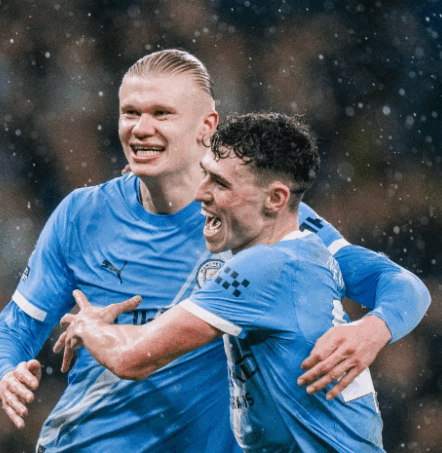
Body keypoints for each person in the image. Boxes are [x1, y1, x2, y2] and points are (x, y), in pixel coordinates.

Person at [0, 49, 430, 452]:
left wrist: (373, 331)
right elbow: (12, 331)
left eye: (161, 113)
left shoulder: (264, 223)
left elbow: (399, 284)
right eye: (130, 113)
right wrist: (5, 373)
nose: (141, 128)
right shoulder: (81, 215)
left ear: (207, 126)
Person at [56, 112, 385, 452]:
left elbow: (132, 359)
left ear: (275, 199)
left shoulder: (265, 268)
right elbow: (154, 337)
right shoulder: (306, 253)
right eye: (206, 175)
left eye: (220, 183)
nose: (200, 193)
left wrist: (88, 327)